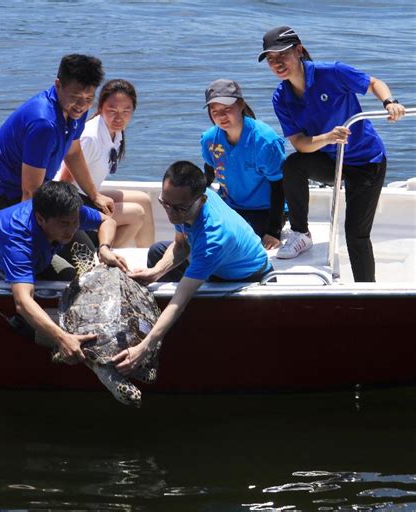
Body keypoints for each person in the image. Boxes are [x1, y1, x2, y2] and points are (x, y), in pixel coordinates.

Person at [259, 26, 406, 281]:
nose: (277, 63)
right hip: (330, 160)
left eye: (282, 55)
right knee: (293, 165)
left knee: (355, 235)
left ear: (299, 50)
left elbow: (373, 83)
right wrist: (328, 137)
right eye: (271, 59)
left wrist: (389, 102)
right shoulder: (280, 97)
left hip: (366, 162)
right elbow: (300, 143)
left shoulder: (332, 72)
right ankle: (301, 234)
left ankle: (366, 291)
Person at [112, 160, 272, 375]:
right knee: (158, 252)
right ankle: (160, 330)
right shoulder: (181, 203)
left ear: (202, 199)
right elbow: (181, 244)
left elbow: (179, 300)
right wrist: (156, 272)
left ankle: (164, 342)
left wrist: (144, 348)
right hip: (213, 259)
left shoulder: (213, 238)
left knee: (180, 303)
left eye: (178, 208)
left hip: (242, 277)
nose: (171, 213)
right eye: (164, 203)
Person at [0, 181, 128, 364]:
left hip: (40, 254)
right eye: (64, 224)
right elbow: (22, 301)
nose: (71, 229)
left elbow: (108, 221)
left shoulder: (67, 211)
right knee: (44, 305)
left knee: (76, 282)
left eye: (75, 222)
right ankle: (53, 344)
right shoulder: (18, 239)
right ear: (40, 218)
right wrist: (61, 338)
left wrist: (105, 248)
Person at [0, 54, 108, 226]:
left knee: (96, 226)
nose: (82, 105)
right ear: (58, 85)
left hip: (37, 193)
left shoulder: (75, 112)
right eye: (75, 97)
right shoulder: (44, 124)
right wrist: (31, 239)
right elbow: (30, 192)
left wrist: (95, 195)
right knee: (79, 248)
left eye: (89, 98)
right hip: (1, 200)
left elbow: (73, 152)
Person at [58, 79, 155, 248]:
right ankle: (104, 260)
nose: (119, 117)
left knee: (144, 200)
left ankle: (148, 259)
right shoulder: (90, 137)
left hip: (88, 194)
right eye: (112, 110)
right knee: (136, 213)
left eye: (126, 111)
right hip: (72, 202)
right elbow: (63, 182)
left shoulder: (115, 132)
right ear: (101, 107)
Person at [201, 78, 286, 249]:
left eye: (227, 109)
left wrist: (274, 231)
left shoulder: (265, 140)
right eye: (214, 110)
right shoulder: (209, 139)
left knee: (231, 238)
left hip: (264, 210)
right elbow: (210, 170)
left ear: (241, 105)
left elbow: (280, 186)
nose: (221, 116)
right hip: (230, 204)